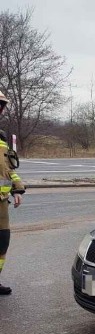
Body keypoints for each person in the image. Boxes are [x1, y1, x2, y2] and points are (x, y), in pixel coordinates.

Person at [0, 123, 26, 295]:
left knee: (2, 242)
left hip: (1, 203)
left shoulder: (1, 139)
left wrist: (17, 189)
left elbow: (8, 170)